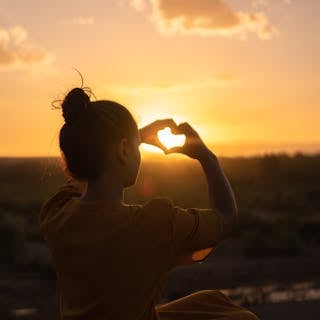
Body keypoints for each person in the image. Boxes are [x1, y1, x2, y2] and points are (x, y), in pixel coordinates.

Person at [39, 87, 259, 320]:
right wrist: (207, 157)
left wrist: (133, 138)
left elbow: (83, 176)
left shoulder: (56, 214)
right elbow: (227, 216)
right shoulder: (153, 225)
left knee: (212, 302)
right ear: (124, 150)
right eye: (134, 146)